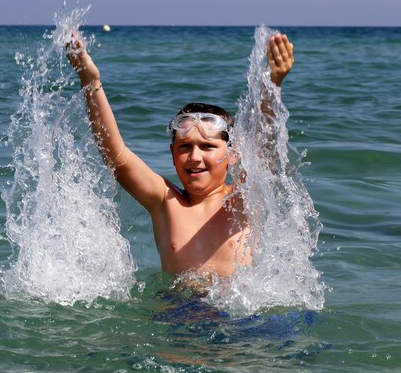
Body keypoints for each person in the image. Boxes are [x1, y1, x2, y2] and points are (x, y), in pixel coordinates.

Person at [67, 33, 294, 278]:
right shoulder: (165, 203)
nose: (195, 157)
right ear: (172, 153)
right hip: (178, 311)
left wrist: (272, 85)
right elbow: (117, 156)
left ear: (234, 154)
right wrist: (91, 82)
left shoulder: (244, 200)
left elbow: (264, 152)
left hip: (238, 315)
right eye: (185, 147)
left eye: (207, 147)